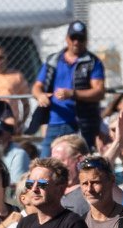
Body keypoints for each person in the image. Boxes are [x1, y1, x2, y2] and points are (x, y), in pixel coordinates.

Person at [31, 20, 106, 149]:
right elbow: (37, 86)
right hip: (55, 121)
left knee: (80, 160)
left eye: (80, 38)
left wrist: (73, 94)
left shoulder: (93, 62)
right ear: (67, 38)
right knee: (45, 160)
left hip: (81, 122)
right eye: (73, 37)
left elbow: (99, 91)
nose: (76, 42)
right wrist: (40, 96)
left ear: (86, 40)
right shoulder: (53, 60)